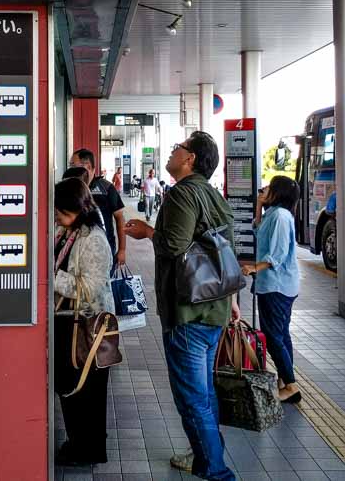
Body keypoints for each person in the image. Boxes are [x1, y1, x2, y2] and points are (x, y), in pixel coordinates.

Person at [125, 131, 239, 481]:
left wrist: (147, 232)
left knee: (192, 400)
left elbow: (174, 245)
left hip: (189, 311)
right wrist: (232, 301)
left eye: (179, 148)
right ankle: (204, 458)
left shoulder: (183, 194)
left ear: (190, 159)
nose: (173, 151)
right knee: (203, 395)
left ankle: (217, 472)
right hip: (214, 307)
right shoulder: (212, 194)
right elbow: (225, 248)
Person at [53, 177, 115, 466]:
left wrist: (51, 277)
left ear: (77, 209)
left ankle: (88, 449)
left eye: (62, 211)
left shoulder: (93, 239)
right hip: (68, 322)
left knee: (88, 391)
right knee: (70, 386)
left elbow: (91, 288)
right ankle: (76, 442)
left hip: (90, 326)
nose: (57, 216)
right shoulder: (65, 233)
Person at [242, 176, 302, 404]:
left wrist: (253, 267)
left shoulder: (280, 216)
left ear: (279, 192)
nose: (264, 188)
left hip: (277, 284)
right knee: (281, 334)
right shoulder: (274, 213)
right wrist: (258, 205)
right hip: (276, 283)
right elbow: (258, 231)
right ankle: (285, 381)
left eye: (269, 186)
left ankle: (291, 385)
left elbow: (276, 254)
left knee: (274, 336)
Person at [70, 149, 127, 266]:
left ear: (88, 166)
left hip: (104, 250)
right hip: (76, 249)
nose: (70, 169)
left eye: (73, 165)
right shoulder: (72, 187)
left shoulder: (106, 188)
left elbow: (120, 218)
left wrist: (122, 250)